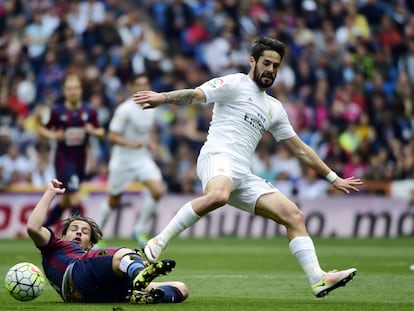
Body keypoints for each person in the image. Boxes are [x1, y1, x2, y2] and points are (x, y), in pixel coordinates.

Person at [133, 36, 363, 298]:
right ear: (252, 61)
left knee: (294, 216)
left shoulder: (274, 108)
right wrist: (163, 98)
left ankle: (318, 278)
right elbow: (195, 95)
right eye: (266, 63)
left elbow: (300, 148)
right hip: (217, 157)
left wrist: (333, 177)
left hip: (242, 173)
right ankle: (158, 241)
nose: (270, 70)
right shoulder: (234, 83)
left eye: (276, 66)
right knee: (218, 195)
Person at [27, 179, 189, 304]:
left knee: (181, 288)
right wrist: (50, 192)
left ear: (90, 245)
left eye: (84, 232)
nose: (78, 232)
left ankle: (144, 291)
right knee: (124, 254)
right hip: (76, 275)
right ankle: (138, 272)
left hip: (96, 294)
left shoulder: (88, 256)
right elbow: (33, 228)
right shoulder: (53, 245)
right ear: (63, 236)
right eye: (74, 228)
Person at [98, 74, 165, 247]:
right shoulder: (124, 110)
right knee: (113, 200)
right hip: (122, 160)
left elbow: (146, 131)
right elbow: (111, 136)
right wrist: (130, 143)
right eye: (139, 85)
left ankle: (138, 229)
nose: (143, 87)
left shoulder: (152, 106)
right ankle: (97, 235)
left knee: (157, 191)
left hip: (142, 158)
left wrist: (152, 143)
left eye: (146, 84)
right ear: (132, 88)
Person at [38, 74, 105, 226]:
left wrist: (93, 131)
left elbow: (101, 132)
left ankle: (42, 229)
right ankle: (80, 238)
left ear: (81, 90)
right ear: (65, 91)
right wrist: (54, 135)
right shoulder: (57, 111)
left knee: (66, 201)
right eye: (69, 88)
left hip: (81, 159)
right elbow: (43, 130)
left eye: (76, 88)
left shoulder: (90, 111)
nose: (73, 91)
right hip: (63, 159)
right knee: (75, 198)